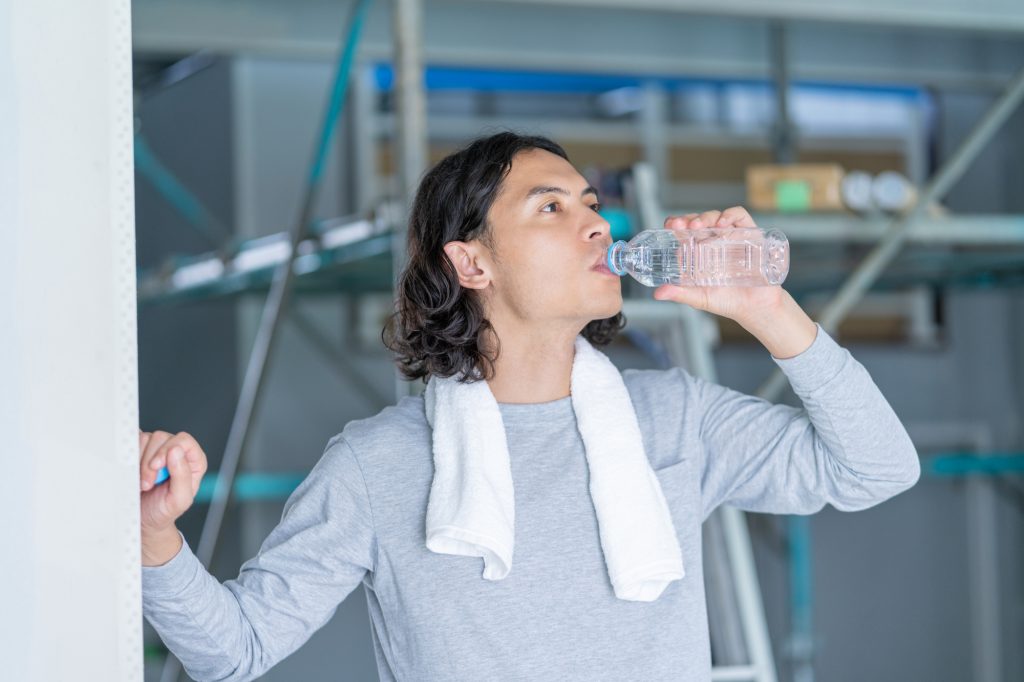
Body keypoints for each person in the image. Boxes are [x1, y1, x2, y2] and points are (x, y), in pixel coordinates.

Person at [140, 132, 920, 681]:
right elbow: (233, 651)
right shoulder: (377, 466)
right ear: (471, 261)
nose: (596, 223)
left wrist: (767, 309)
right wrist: (153, 539)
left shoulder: (676, 420)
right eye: (551, 208)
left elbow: (876, 469)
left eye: (592, 202)